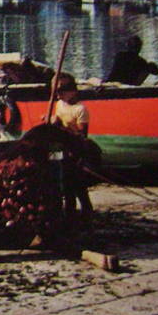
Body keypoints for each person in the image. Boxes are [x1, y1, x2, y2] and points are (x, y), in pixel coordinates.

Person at [50, 76, 95, 220]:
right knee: (65, 184)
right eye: (57, 94)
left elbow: (82, 135)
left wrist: (64, 128)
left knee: (79, 185)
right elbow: (56, 121)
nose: (59, 96)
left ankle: (87, 212)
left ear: (72, 92)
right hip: (61, 149)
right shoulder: (59, 104)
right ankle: (69, 213)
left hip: (76, 150)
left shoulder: (80, 109)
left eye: (61, 93)